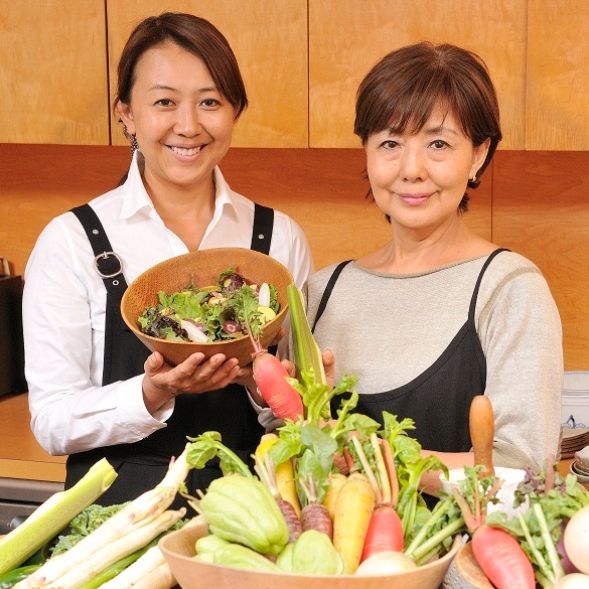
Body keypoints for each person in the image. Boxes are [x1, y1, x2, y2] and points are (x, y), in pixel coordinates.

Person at [23, 12, 312, 505]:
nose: (188, 125)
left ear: (235, 111)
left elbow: (299, 416)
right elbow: (51, 422)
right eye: (164, 102)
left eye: (209, 102)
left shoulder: (278, 239)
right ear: (127, 114)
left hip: (252, 519)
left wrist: (263, 385)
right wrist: (151, 393)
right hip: (116, 525)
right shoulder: (73, 241)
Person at [306, 42, 563, 485]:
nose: (411, 169)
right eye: (390, 142)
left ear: (478, 155)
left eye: (439, 144)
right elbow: (288, 441)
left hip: (460, 553)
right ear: (366, 152)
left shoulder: (510, 288)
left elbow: (524, 468)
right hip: (329, 551)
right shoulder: (320, 292)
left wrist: (376, 459)